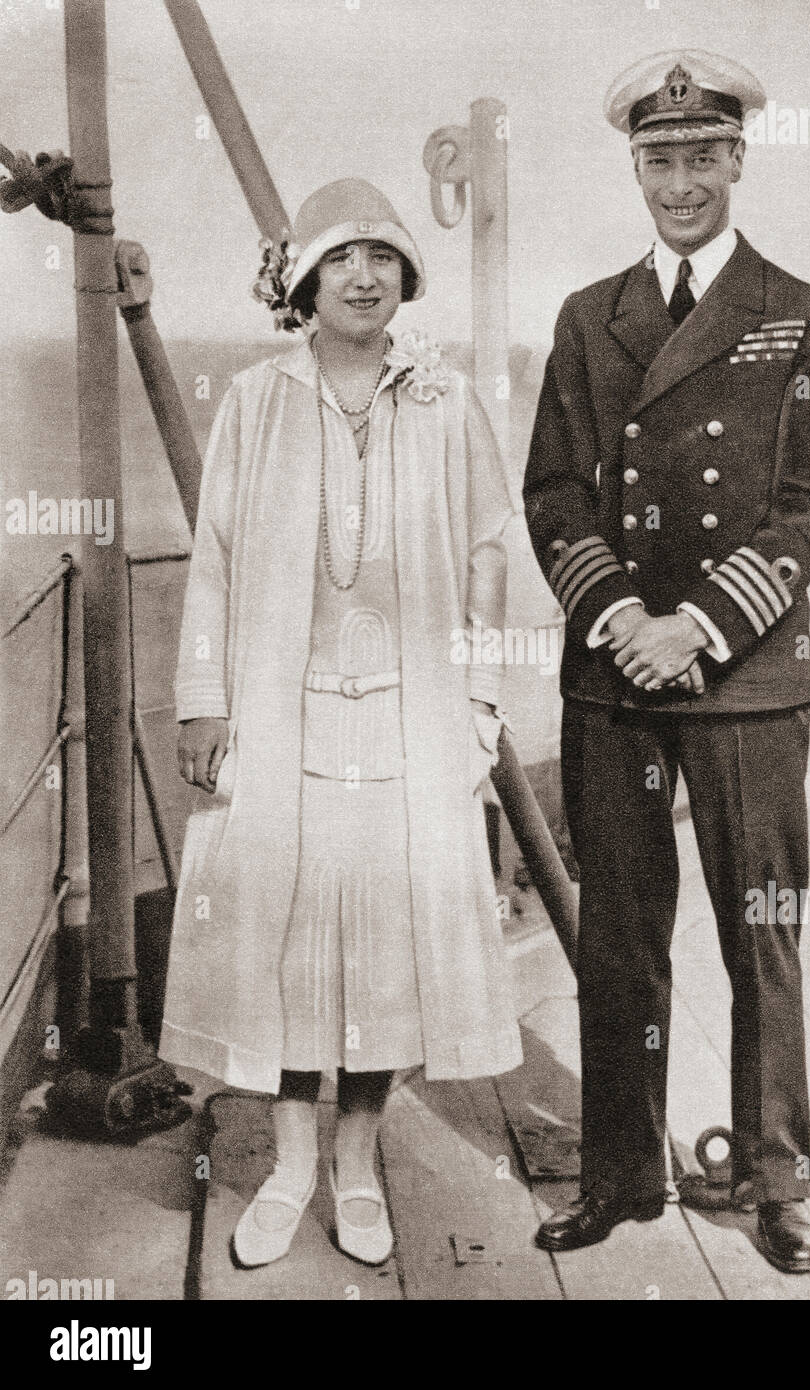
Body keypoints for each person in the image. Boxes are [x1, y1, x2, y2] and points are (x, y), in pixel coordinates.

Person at [523, 51, 810, 1272]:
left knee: (758, 928)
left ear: (735, 161)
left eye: (698, 157)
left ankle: (776, 1180)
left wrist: (698, 626)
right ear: (636, 168)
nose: (678, 181)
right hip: (614, 673)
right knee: (620, 929)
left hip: (746, 677)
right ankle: (619, 1174)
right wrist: (621, 615)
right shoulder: (585, 315)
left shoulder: (800, 312)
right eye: (656, 160)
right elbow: (554, 491)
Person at [159, 178, 521, 1269]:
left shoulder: (445, 401)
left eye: (381, 257)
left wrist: (481, 701)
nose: (362, 276)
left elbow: (489, 552)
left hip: (411, 726)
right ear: (305, 282)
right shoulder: (259, 400)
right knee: (279, 945)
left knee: (383, 952)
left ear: (405, 277)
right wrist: (203, 698)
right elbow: (215, 559)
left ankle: (356, 1164)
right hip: (280, 720)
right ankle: (285, 1165)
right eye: (339, 259)